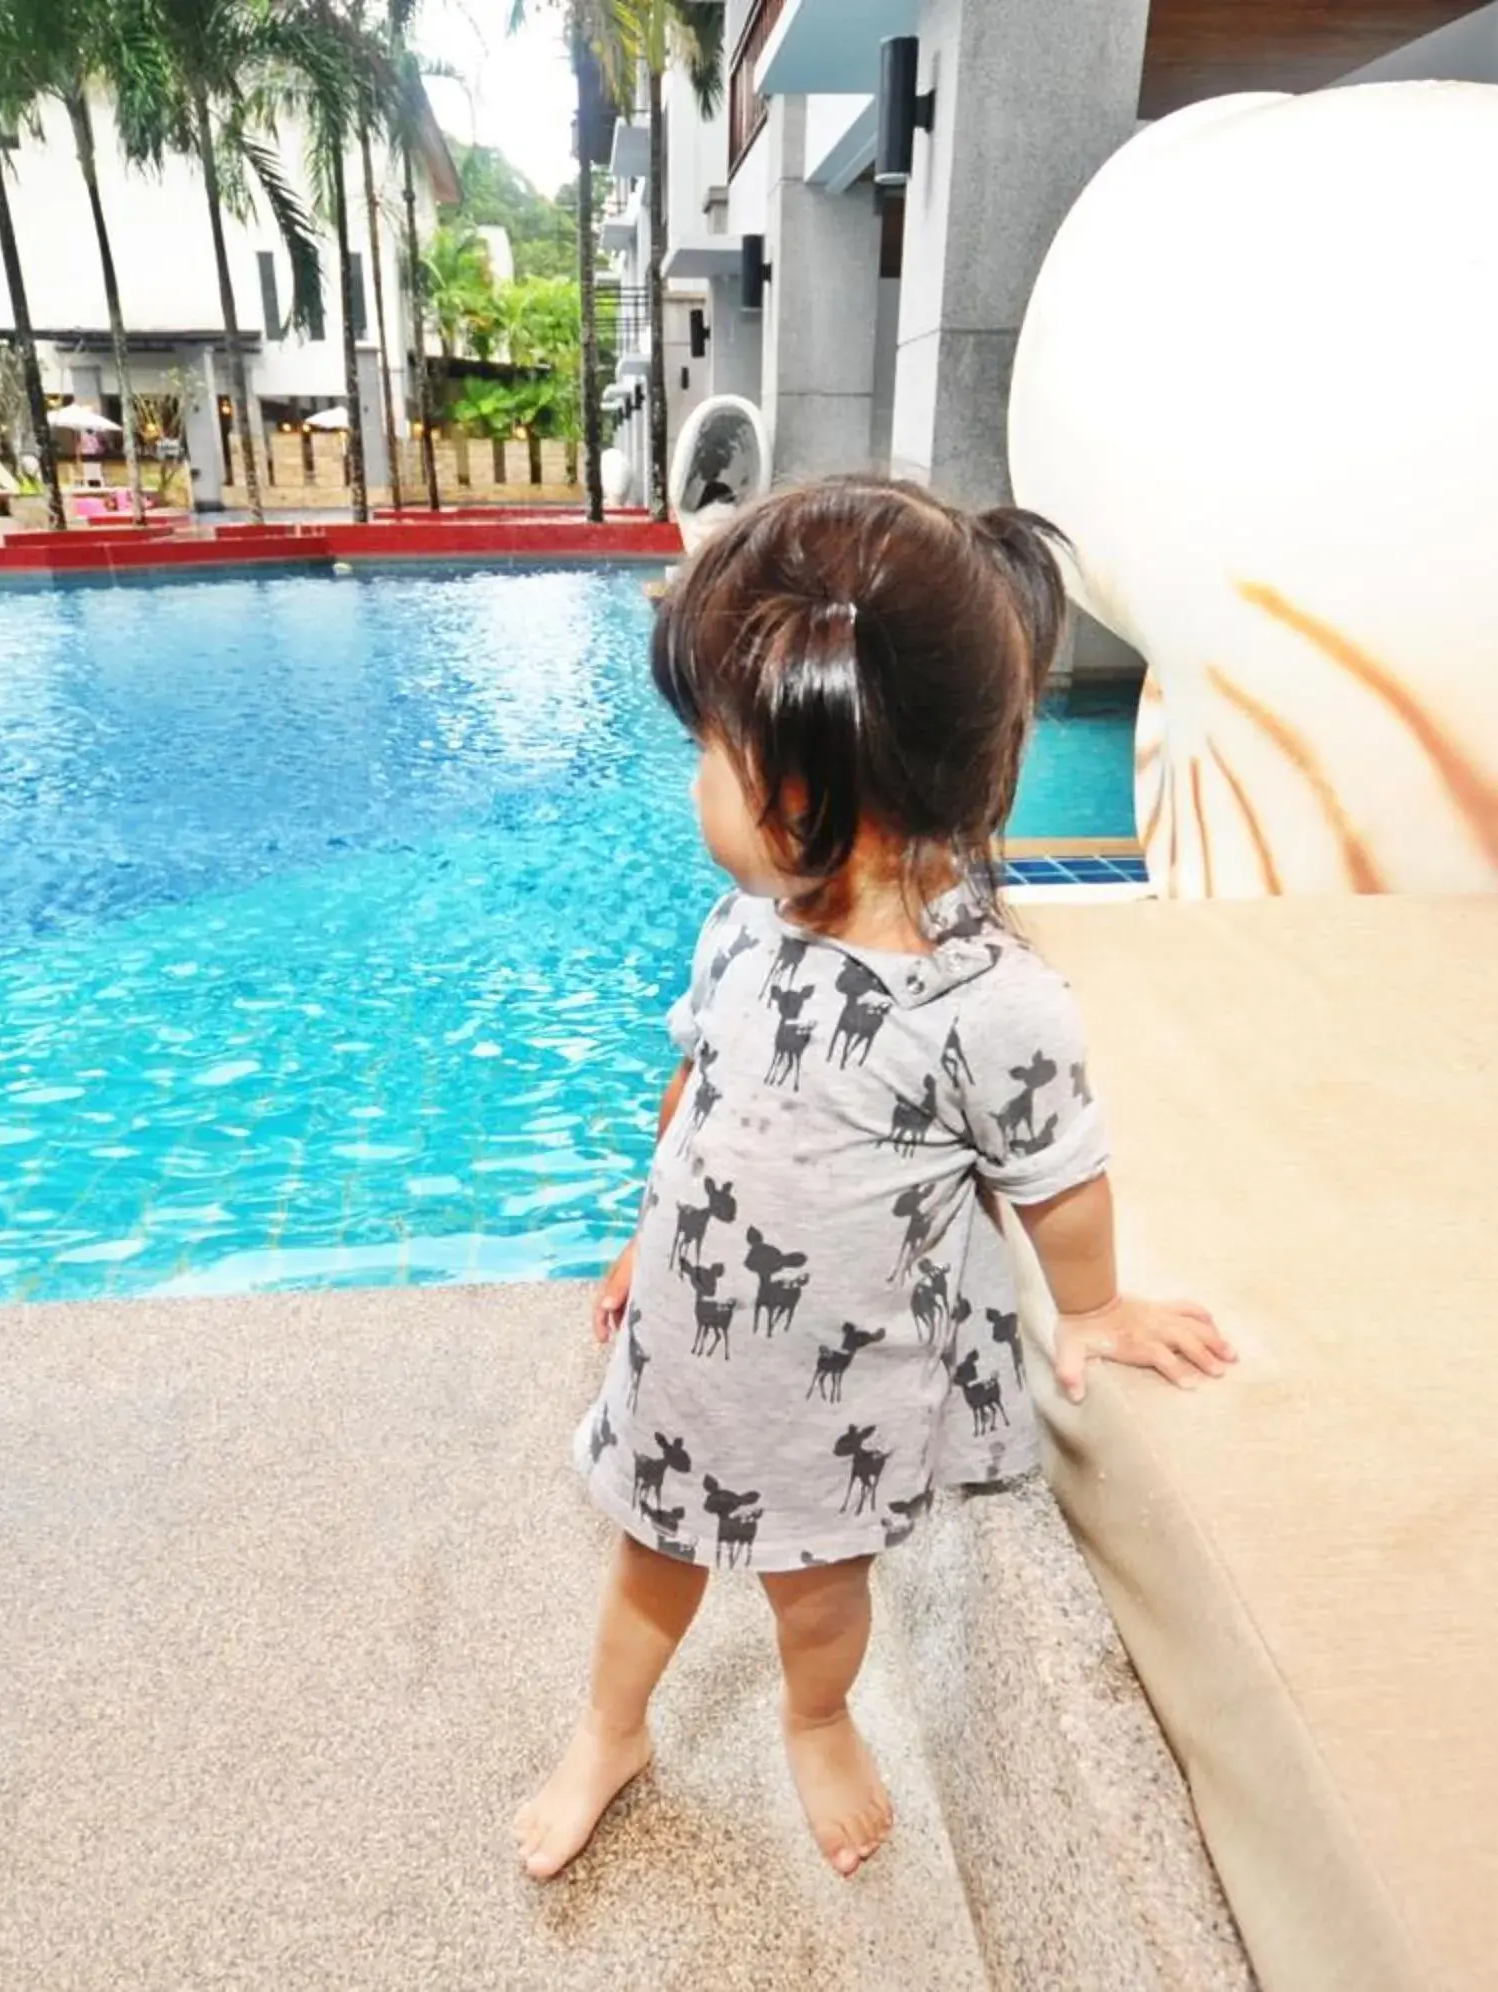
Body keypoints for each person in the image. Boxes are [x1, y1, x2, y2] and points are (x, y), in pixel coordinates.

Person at [516, 477, 1235, 1883]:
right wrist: (639, 1237)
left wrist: (1089, 1308)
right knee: (645, 1564)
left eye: (707, 754)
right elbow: (700, 1087)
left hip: (829, 1394)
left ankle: (817, 1715)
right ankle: (612, 1730)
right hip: (683, 1348)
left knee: (813, 1592)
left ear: (801, 789)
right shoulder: (745, 923)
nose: (690, 783)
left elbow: (1059, 1176)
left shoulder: (989, 1007)